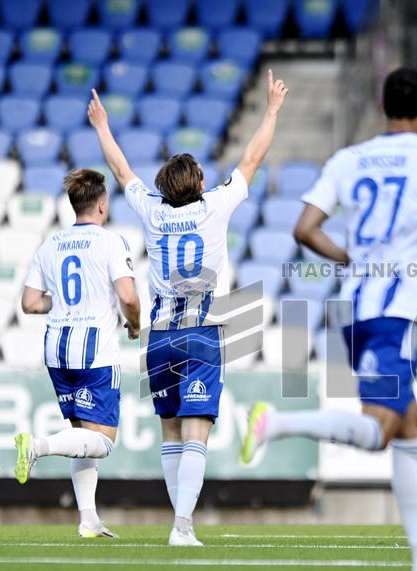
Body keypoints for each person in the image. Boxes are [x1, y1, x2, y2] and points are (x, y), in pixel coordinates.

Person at [240, 67, 417, 571]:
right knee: (378, 432)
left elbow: (305, 228)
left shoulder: (350, 158)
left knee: (410, 431)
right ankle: (276, 424)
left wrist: (350, 258)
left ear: (385, 106)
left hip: (356, 308)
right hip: (395, 314)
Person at [88, 71, 289, 546]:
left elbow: (121, 173)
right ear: (198, 182)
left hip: (159, 336)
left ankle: (179, 523)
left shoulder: (153, 212)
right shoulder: (216, 205)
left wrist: (101, 127)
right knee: (197, 432)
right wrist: (273, 110)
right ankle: (182, 526)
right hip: (202, 332)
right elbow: (252, 158)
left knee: (171, 433)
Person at [13, 168, 141, 539]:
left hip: (58, 349)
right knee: (101, 442)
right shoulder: (110, 242)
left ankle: (88, 519)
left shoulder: (50, 244)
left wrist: (68, 302)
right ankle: (38, 446)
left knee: (82, 435)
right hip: (95, 351)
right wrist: (134, 324)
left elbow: (30, 303)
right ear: (102, 204)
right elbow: (129, 297)